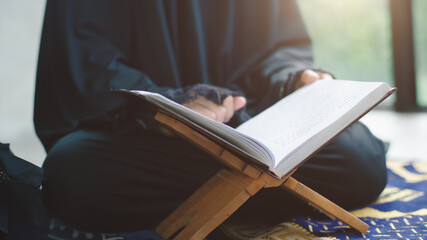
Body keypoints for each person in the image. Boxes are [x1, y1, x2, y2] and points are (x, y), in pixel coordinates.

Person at [35, 0, 387, 233]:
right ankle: (262, 189)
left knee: (360, 159)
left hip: (253, 124)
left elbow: (277, 49)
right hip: (146, 133)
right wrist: (176, 103)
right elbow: (87, 61)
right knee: (73, 174)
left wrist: (295, 77)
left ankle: (226, 192)